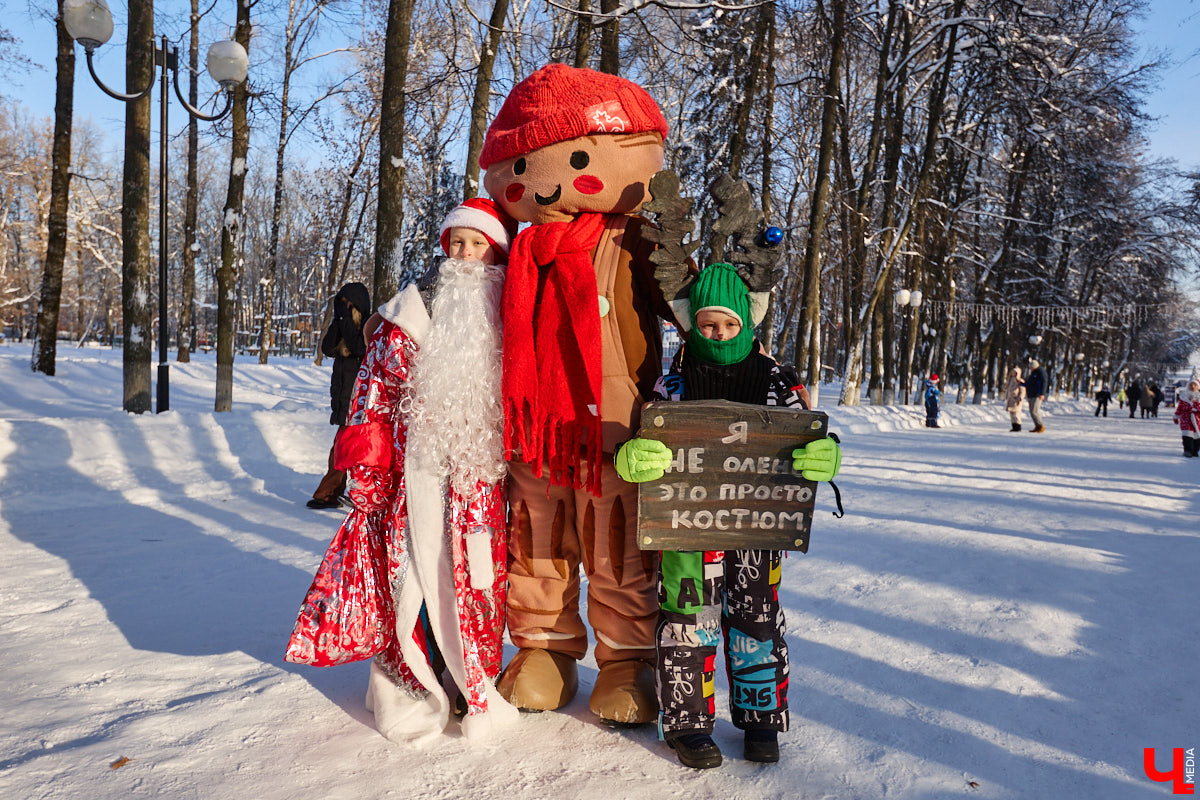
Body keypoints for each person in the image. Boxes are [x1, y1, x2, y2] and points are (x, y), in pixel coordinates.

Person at [479, 64, 682, 724]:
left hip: (619, 431)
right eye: (519, 169)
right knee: (535, 541)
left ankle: (626, 660)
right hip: (533, 434)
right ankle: (544, 648)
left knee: (618, 544)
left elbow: (691, 306)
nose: (543, 184)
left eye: (574, 159)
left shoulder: (635, 241)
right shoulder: (507, 250)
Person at [286, 199, 521, 743]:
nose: (463, 255)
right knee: (411, 577)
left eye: (476, 244)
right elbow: (372, 395)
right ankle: (410, 680)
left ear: (496, 252)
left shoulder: (510, 317)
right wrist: (367, 474)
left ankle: (472, 680)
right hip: (414, 476)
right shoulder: (409, 315)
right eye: (455, 244)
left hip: (481, 479)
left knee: (477, 579)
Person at [611, 263, 841, 769]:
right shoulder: (672, 384)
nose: (718, 334)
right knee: (688, 622)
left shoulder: (778, 380)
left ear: (747, 324)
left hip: (756, 527)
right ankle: (688, 725)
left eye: (729, 325)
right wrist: (634, 456)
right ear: (692, 325)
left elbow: (809, 431)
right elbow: (647, 436)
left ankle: (760, 718)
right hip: (686, 530)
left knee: (756, 620)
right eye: (708, 324)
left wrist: (827, 452)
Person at [307, 282, 371, 509]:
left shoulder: (368, 327)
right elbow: (327, 348)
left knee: (350, 450)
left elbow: (359, 348)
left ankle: (335, 493)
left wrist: (344, 321)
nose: (343, 309)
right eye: (340, 304)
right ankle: (331, 494)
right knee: (342, 449)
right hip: (344, 400)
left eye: (347, 305)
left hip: (361, 403)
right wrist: (338, 320)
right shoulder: (342, 325)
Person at [1173, 379, 1200, 457]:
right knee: (1187, 436)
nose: (1192, 387)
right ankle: (1188, 450)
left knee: (1197, 437)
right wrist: (1176, 416)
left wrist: (1197, 409)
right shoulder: (1184, 397)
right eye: (1191, 385)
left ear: (1198, 387)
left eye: (1195, 385)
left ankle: (1195, 450)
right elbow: (1180, 408)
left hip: (1197, 420)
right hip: (1186, 419)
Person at [1026, 358, 1048, 433]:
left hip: (1037, 395)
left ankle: (1040, 426)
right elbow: (1030, 383)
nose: (1030, 368)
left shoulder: (1041, 372)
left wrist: (1042, 393)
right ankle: (1037, 426)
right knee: (1032, 412)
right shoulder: (1033, 373)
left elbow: (1044, 383)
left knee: (1034, 411)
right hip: (1031, 394)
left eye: (1031, 367)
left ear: (1034, 366)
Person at [1004, 367, 1026, 431]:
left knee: (1016, 413)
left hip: (1016, 399)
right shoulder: (1010, 380)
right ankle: (1014, 426)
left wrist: (1020, 398)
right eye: (1012, 372)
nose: (1013, 373)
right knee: (1011, 413)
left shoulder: (1020, 381)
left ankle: (1018, 426)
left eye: (1015, 372)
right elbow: (1008, 389)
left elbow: (1022, 390)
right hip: (1010, 399)